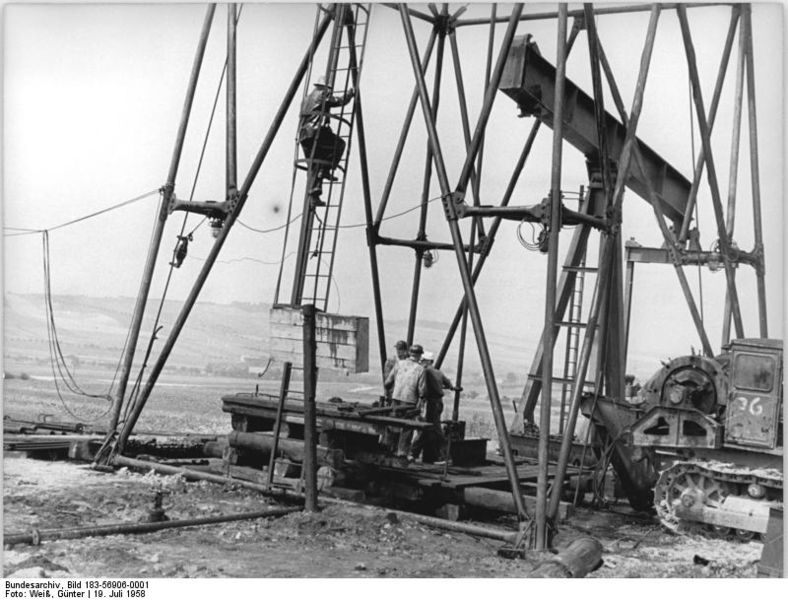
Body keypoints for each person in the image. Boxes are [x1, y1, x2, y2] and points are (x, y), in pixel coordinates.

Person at [298, 75, 355, 193]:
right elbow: (339, 101)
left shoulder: (306, 98)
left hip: (303, 135)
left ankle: (315, 192)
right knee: (340, 144)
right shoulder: (322, 94)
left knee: (314, 164)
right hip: (314, 132)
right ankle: (326, 170)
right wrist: (349, 94)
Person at [411, 351, 457, 464]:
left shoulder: (425, 371)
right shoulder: (438, 373)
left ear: (427, 362)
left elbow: (421, 388)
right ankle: (414, 453)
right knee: (428, 430)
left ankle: (445, 456)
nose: (421, 363)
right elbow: (449, 385)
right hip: (438, 403)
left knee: (433, 430)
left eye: (422, 361)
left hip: (430, 404)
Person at [383, 344, 427, 457]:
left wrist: (389, 394)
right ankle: (402, 452)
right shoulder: (420, 369)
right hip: (409, 401)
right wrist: (421, 401)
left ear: (410, 353)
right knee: (407, 426)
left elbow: (388, 382)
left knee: (393, 423)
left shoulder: (399, 364)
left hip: (396, 398)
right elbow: (422, 390)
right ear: (419, 356)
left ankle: (389, 449)